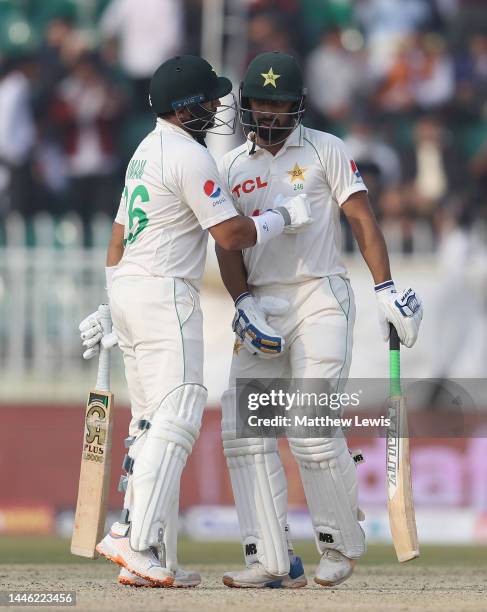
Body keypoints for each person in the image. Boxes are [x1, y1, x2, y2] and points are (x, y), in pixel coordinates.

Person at [77, 54, 312, 588]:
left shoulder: (143, 151)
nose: (217, 107)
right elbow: (229, 236)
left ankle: (151, 551)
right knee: (180, 410)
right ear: (186, 109)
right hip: (165, 294)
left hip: (131, 289)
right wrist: (282, 217)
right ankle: (132, 537)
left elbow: (116, 241)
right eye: (208, 100)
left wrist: (112, 303)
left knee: (149, 422)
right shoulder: (189, 154)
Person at [216, 51, 423, 588]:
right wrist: (241, 301)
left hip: (320, 297)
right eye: (259, 104)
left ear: (297, 107)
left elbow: (361, 218)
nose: (268, 115)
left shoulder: (327, 149)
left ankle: (341, 543)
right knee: (243, 433)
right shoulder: (232, 167)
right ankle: (269, 557)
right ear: (245, 107)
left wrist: (385, 289)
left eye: (279, 105)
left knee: (309, 428)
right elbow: (226, 247)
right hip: (262, 304)